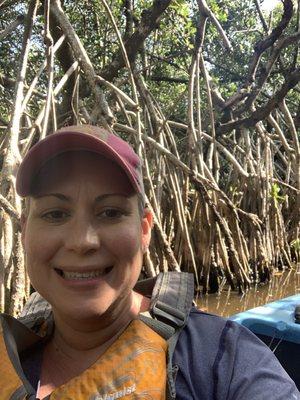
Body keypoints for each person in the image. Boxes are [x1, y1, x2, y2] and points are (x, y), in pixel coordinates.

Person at [0, 124, 299, 400]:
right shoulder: (12, 352)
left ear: (144, 230)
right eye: (55, 214)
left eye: (110, 212)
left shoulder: (224, 361)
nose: (82, 241)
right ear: (25, 231)